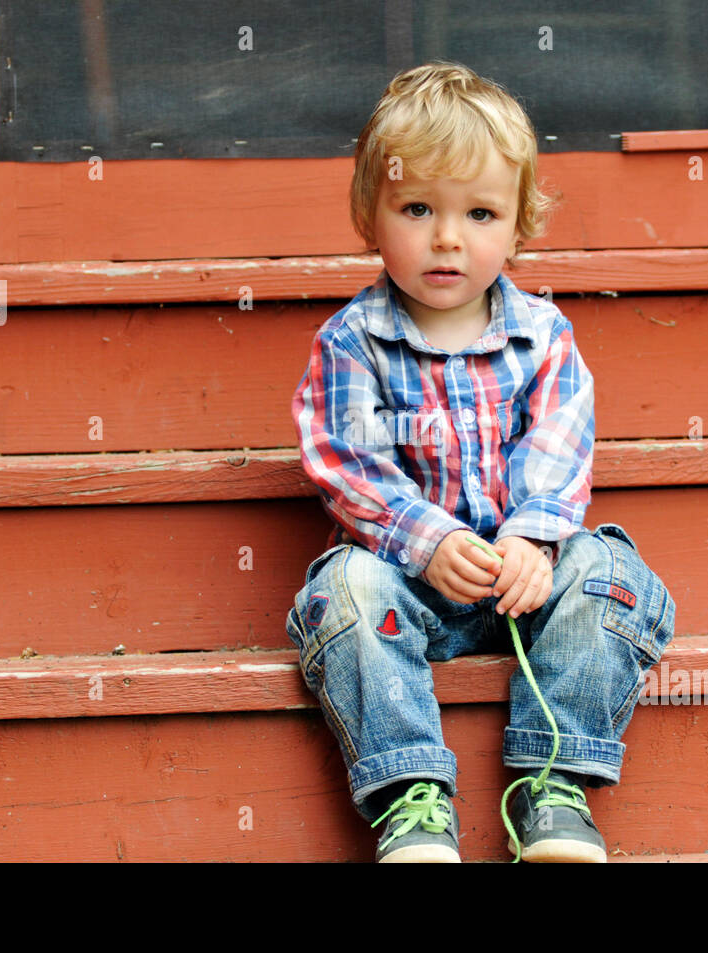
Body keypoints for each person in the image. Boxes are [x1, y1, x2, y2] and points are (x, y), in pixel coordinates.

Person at [286, 61, 676, 862]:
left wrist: (535, 539)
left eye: (481, 212)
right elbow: (343, 455)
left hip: (521, 582)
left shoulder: (543, 335)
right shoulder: (352, 341)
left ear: (519, 224)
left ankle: (554, 783)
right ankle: (412, 799)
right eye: (418, 207)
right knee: (344, 589)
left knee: (612, 570)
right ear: (372, 213)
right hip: (407, 590)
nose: (448, 237)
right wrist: (424, 540)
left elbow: (560, 444)